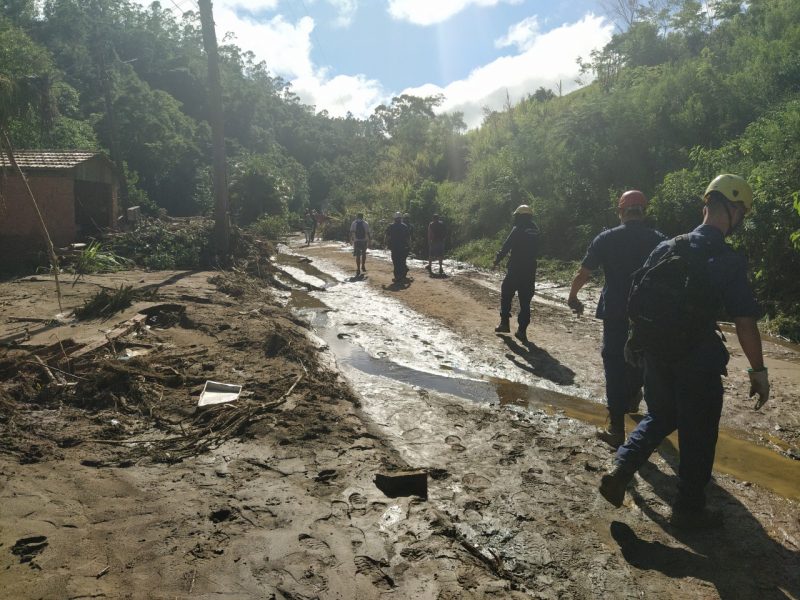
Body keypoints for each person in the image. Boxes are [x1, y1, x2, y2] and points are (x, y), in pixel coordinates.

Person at [599, 174, 770, 530]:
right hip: (698, 360)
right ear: (734, 209)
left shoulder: (668, 246)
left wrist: (637, 343)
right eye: (742, 212)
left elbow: (638, 295)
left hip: (657, 353)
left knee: (660, 414)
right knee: (700, 430)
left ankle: (621, 467)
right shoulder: (726, 258)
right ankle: (690, 509)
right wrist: (758, 370)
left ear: (707, 204)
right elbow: (744, 320)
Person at [567, 190, 666, 448]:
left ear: (621, 212)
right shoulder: (659, 240)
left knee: (613, 362)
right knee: (641, 358)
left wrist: (573, 296)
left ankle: (616, 427)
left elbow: (584, 273)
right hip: (649, 315)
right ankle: (634, 396)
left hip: (615, 312)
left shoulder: (606, 239)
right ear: (643, 212)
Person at [492, 205, 539, 345]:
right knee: (525, 302)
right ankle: (522, 331)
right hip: (530, 271)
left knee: (506, 294)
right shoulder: (536, 230)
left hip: (516, 269)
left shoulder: (518, 229)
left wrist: (497, 260)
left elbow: (507, 246)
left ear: (520, 216)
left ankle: (504, 323)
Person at [385, 212, 411, 283]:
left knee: (396, 262)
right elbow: (407, 238)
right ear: (400, 218)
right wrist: (409, 246)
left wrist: (386, 244)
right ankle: (402, 276)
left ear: (394, 218)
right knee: (402, 262)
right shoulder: (404, 226)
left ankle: (397, 277)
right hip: (403, 248)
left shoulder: (391, 226)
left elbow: (387, 237)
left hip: (394, 248)